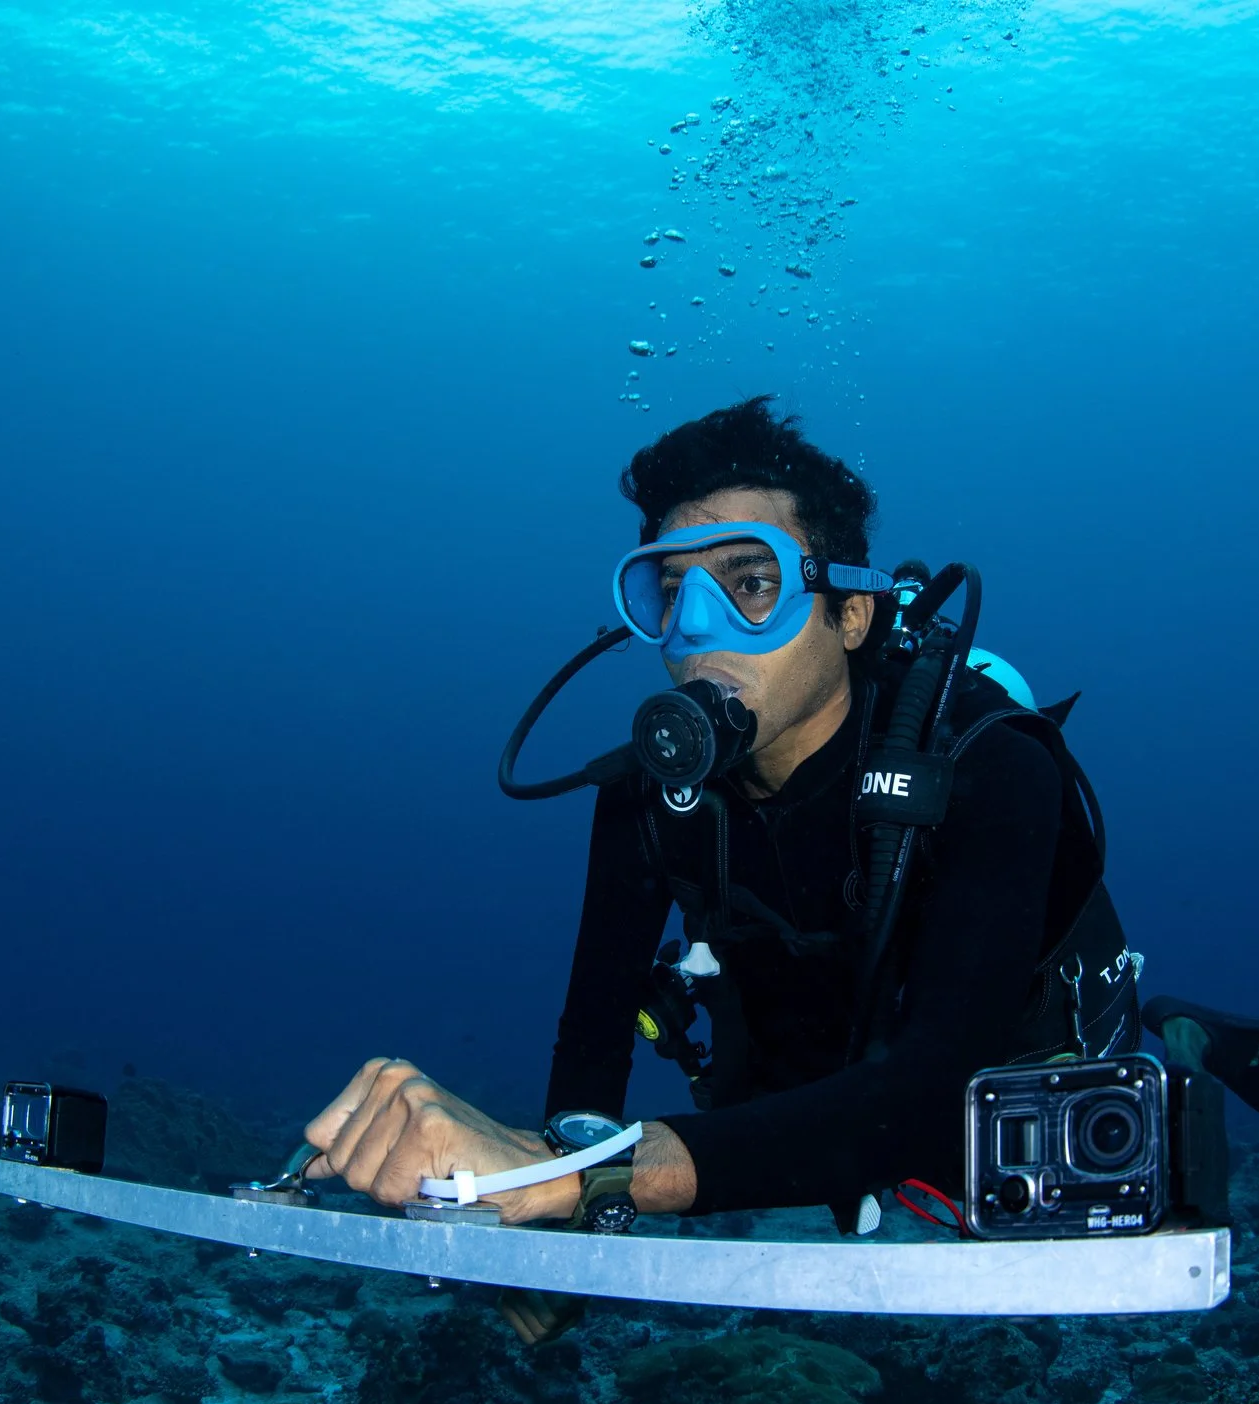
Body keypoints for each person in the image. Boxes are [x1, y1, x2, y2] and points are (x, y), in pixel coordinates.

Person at [298, 398, 1138, 1275]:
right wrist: (548, 1236)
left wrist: (587, 1177)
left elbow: (939, 1091)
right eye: (669, 591)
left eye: (750, 583)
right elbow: (591, 1041)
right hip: (798, 1114)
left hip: (988, 1110)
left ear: (849, 616)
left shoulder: (991, 765)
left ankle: (1201, 1034)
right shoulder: (646, 795)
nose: (696, 627)